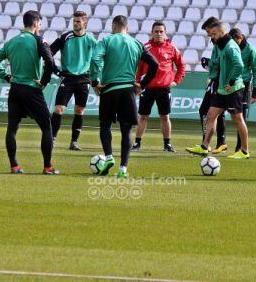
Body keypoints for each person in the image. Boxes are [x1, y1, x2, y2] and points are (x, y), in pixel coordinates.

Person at [90, 15, 159, 178]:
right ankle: (123, 169)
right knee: (126, 130)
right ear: (127, 28)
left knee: (105, 126)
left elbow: (95, 59)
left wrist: (95, 80)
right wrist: (142, 84)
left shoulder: (106, 41)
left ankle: (108, 157)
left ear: (113, 27)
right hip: (128, 89)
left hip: (109, 89)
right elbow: (155, 64)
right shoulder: (137, 43)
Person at [0, 10, 58, 174]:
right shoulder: (38, 40)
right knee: (47, 126)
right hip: (31, 89)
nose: (40, 28)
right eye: (40, 24)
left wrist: (6, 76)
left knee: (12, 128)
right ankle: (47, 167)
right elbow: (50, 61)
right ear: (35, 23)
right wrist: (44, 82)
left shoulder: (11, 42)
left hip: (15, 89)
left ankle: (14, 166)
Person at [187, 20, 250, 159]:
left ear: (223, 32)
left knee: (238, 119)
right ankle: (204, 147)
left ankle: (245, 151)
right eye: (211, 34)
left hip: (233, 89)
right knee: (210, 115)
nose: (212, 36)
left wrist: (231, 81)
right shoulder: (220, 45)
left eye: (214, 33)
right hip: (222, 89)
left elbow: (239, 65)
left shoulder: (230, 46)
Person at [132, 21, 185, 152]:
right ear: (152, 32)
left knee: (165, 116)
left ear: (165, 33)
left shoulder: (172, 48)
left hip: (164, 88)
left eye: (161, 31)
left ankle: (167, 144)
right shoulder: (145, 47)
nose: (159, 34)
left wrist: (176, 80)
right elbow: (138, 68)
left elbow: (181, 66)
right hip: (147, 88)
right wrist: (138, 83)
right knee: (143, 116)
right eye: (156, 31)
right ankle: (137, 143)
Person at [49, 11, 98, 151]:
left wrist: (95, 79)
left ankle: (74, 142)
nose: (75, 24)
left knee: (79, 110)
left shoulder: (91, 41)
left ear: (85, 23)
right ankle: (51, 139)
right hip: (68, 77)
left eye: (78, 21)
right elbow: (49, 53)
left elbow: (98, 60)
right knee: (59, 109)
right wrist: (56, 70)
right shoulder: (65, 37)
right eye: (74, 21)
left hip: (84, 79)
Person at [226, 27, 256, 155]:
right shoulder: (230, 47)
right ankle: (220, 143)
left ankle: (240, 147)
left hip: (244, 85)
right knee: (217, 112)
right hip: (229, 83)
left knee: (241, 117)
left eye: (235, 40)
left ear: (240, 38)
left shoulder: (250, 49)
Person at [197, 17, 226, 151]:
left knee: (206, 111)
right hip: (217, 80)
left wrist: (211, 66)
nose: (208, 34)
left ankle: (208, 143)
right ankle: (219, 143)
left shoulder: (223, 42)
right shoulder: (217, 40)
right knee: (215, 112)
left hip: (221, 81)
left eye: (209, 31)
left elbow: (225, 62)